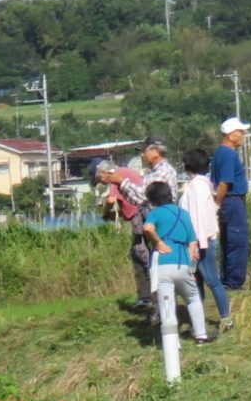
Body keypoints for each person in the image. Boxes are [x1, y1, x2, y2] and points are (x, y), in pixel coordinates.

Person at [139, 177, 207, 383]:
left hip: (162, 263)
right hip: (181, 261)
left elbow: (147, 229)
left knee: (166, 303)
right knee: (193, 297)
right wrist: (191, 263)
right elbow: (193, 242)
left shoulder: (155, 213)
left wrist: (158, 243)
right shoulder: (183, 213)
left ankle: (172, 341)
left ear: (151, 199)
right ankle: (201, 335)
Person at [178, 145, 229, 327]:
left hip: (200, 242)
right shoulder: (201, 185)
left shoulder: (197, 187)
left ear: (188, 165)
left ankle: (225, 317)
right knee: (196, 282)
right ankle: (198, 319)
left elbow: (197, 217)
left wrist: (197, 245)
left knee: (211, 280)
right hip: (199, 241)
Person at [98, 158, 152, 309]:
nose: (101, 182)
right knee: (139, 253)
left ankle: (148, 297)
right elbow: (122, 202)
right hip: (142, 215)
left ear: (104, 172)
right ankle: (147, 295)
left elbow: (111, 200)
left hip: (139, 217)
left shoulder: (118, 175)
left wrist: (104, 214)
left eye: (99, 178)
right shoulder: (126, 172)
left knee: (140, 254)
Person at [211, 115, 251, 303]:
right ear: (230, 134)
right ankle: (234, 281)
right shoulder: (228, 154)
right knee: (237, 239)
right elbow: (225, 182)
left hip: (228, 201)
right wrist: (217, 204)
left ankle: (227, 278)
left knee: (229, 239)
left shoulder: (220, 153)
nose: (243, 135)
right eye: (240, 132)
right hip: (232, 200)